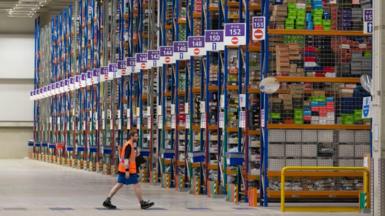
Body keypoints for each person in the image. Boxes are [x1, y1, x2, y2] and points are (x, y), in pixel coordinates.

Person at [102, 130, 154, 210]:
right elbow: (126, 158)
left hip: (126, 169)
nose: (137, 137)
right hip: (128, 170)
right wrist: (127, 171)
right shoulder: (129, 145)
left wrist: (136, 154)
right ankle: (142, 203)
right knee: (136, 185)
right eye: (136, 136)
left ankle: (107, 200)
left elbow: (128, 157)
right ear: (132, 136)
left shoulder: (129, 144)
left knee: (119, 185)